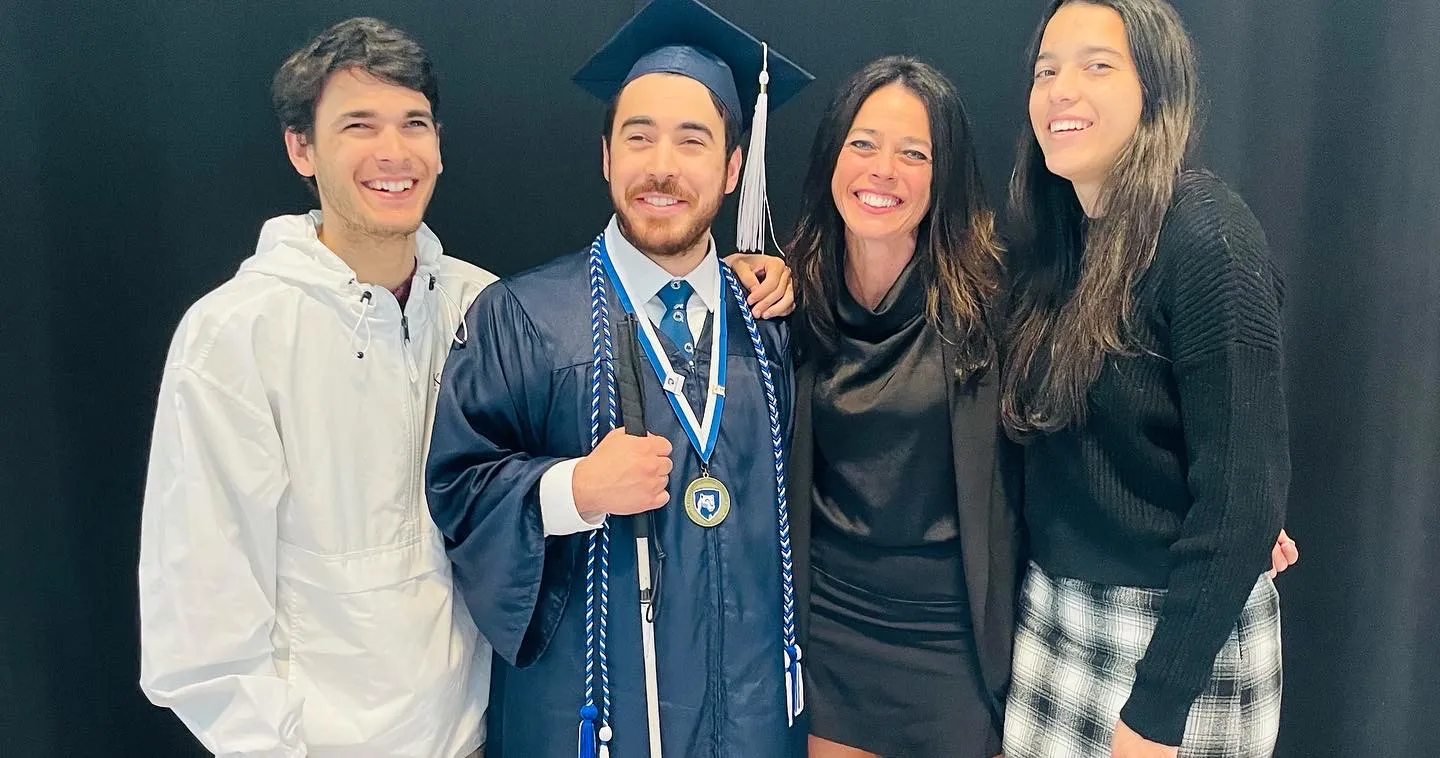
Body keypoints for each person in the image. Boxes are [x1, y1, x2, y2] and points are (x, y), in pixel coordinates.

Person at [424, 1, 813, 756]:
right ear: (606, 156)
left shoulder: (772, 322)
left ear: (733, 168)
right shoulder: (525, 318)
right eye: (639, 137)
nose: (662, 166)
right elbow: (457, 492)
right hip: (589, 719)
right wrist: (571, 492)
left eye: (692, 141)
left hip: (757, 716)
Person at [137, 18, 493, 757]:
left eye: (414, 124)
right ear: (302, 148)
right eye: (358, 125)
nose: (393, 153)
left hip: (478, 738)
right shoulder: (237, 336)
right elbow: (200, 625)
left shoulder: (481, 309)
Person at [999, 2, 1292, 757]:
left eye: (1098, 65)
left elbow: (1243, 496)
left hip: (1175, 644)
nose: (1064, 89)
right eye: (1046, 70)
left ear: (1155, 89)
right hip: (1058, 616)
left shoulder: (1207, 238)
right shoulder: (1057, 243)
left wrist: (1156, 715)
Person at [780, 56, 1019, 758]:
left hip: (951, 635)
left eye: (913, 153)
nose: (882, 169)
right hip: (832, 626)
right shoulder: (788, 300)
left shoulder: (993, 302)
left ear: (942, 175)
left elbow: (1081, 423)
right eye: (863, 143)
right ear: (832, 155)